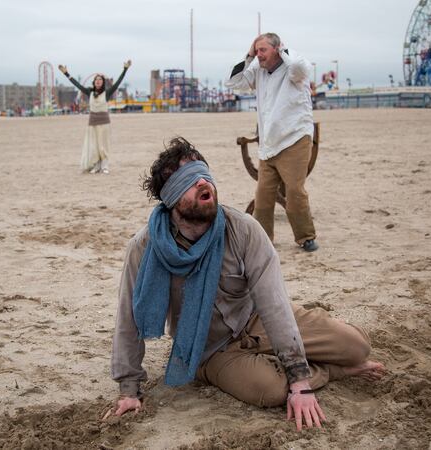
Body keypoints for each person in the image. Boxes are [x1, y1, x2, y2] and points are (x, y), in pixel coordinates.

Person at [104, 137, 385, 431]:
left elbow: (273, 303)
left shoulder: (244, 229)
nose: (203, 183)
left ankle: (307, 353)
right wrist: (129, 388)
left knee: (357, 346)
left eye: (204, 175)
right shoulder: (144, 247)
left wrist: (300, 381)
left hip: (255, 319)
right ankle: (331, 371)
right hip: (208, 348)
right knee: (272, 391)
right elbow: (129, 319)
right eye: (190, 180)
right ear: (171, 197)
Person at [226, 33, 319, 252]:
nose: (259, 55)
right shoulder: (258, 69)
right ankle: (262, 239)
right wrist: (249, 56)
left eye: (263, 50)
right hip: (269, 144)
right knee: (263, 196)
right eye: (257, 50)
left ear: (277, 49)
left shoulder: (293, 67)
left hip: (295, 138)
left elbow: (299, 67)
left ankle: (306, 237)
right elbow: (235, 83)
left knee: (295, 191)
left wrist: (283, 50)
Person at [58, 60, 131, 174]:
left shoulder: (107, 93)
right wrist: (66, 73)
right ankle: (96, 165)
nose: (98, 81)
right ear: (94, 82)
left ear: (103, 83)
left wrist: (125, 69)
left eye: (100, 80)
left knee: (104, 144)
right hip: (92, 121)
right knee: (94, 145)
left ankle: (105, 165)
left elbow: (118, 82)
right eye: (96, 80)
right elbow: (77, 84)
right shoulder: (89, 92)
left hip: (104, 121)